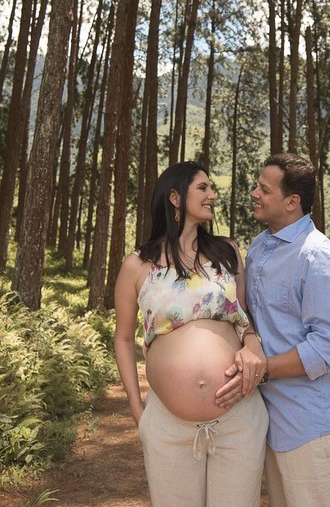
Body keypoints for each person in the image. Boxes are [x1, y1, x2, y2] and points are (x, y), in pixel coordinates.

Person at [114, 160, 269, 507]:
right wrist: (137, 409)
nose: (213, 194)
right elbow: (122, 338)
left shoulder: (227, 251)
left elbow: (244, 317)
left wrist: (252, 341)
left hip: (239, 419)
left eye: (211, 187)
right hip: (168, 427)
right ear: (175, 197)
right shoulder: (137, 264)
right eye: (203, 188)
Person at [223, 152, 330, 506]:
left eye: (265, 190)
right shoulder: (259, 246)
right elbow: (251, 315)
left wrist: (263, 369)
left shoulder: (317, 256)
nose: (254, 193)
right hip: (271, 422)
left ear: (292, 202)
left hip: (309, 425)